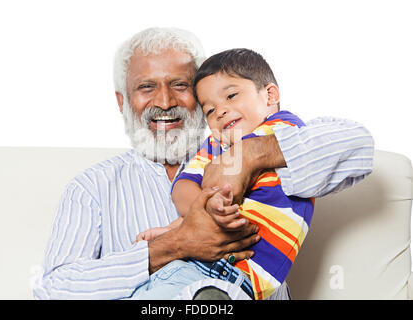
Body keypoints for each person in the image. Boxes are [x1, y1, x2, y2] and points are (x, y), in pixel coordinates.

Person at [32, 27, 374, 300]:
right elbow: (53, 290)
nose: (164, 102)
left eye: (179, 85)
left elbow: (359, 147)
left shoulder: (253, 140)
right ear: (123, 101)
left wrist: (252, 157)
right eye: (146, 87)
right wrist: (172, 245)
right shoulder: (92, 188)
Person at [134, 48, 314, 300]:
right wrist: (202, 209)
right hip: (192, 266)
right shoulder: (216, 144)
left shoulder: (287, 131)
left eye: (231, 95)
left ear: (270, 95)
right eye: (209, 110)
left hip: (244, 279)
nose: (220, 111)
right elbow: (182, 186)